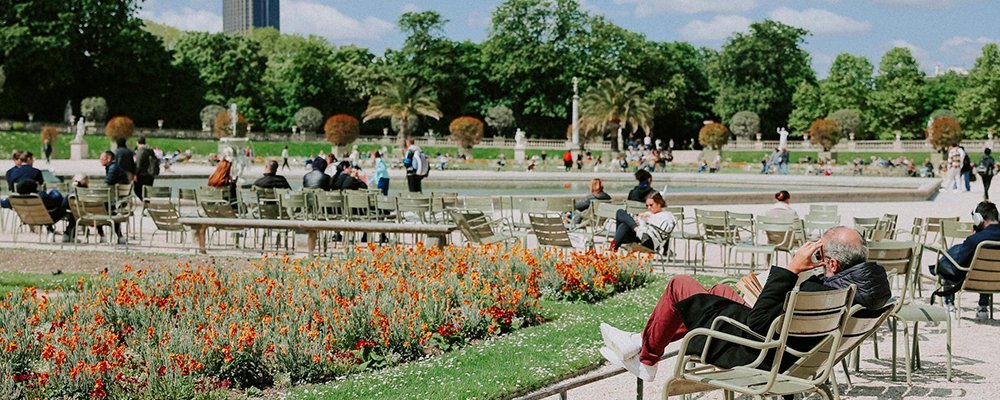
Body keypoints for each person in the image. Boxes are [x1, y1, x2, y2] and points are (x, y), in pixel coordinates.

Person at [600, 226, 891, 381]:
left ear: (831, 262)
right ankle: (639, 341)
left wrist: (791, 270)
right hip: (787, 350)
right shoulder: (864, 290)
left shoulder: (821, 291)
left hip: (756, 353)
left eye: (819, 250)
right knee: (714, 289)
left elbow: (759, 324)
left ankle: (647, 359)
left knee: (680, 285)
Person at [931, 201, 1000, 320]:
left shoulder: (975, 240)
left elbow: (959, 263)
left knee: (949, 261)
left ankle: (949, 304)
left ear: (979, 219)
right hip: (995, 281)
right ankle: (983, 306)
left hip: (972, 281)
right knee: (986, 268)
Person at [611, 192, 676, 252]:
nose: (649, 208)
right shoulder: (648, 213)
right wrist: (637, 223)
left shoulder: (667, 215)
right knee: (620, 214)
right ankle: (635, 229)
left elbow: (667, 228)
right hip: (640, 237)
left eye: (651, 205)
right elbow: (643, 224)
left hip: (650, 242)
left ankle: (611, 250)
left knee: (624, 225)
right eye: (647, 206)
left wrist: (649, 218)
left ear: (659, 203)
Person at [99, 150, 128, 244]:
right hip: (116, 199)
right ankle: (118, 236)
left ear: (108, 159)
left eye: (102, 158)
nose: (100, 160)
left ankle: (103, 235)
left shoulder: (113, 168)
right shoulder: (112, 167)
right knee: (97, 208)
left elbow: (107, 184)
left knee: (97, 208)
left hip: (118, 201)